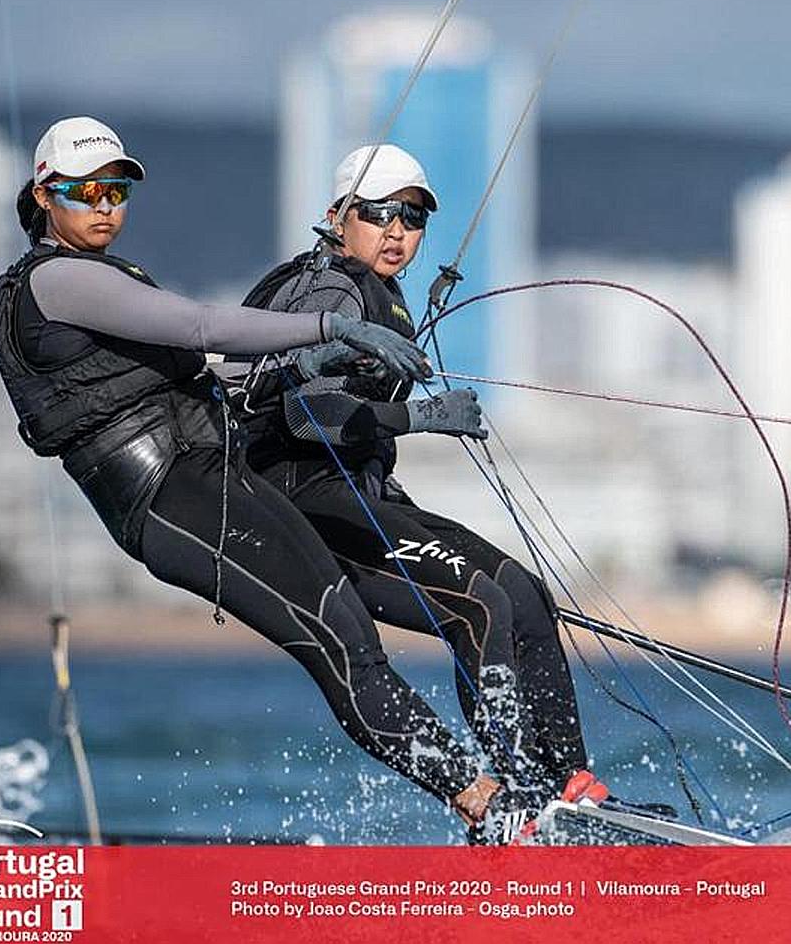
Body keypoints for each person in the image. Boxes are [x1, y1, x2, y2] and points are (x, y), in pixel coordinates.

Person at [0, 117, 545, 843]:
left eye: (117, 190)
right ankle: (488, 806)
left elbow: (185, 371)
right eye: (85, 190)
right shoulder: (54, 279)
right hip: (165, 492)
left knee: (350, 628)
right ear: (44, 194)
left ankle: (507, 803)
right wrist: (327, 331)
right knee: (339, 644)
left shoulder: (97, 277)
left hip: (212, 474)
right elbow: (198, 327)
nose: (104, 205)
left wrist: (302, 368)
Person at [226, 146, 602, 826]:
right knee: (479, 602)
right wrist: (420, 416)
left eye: (413, 215)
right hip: (300, 500)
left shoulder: (378, 291)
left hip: (357, 494)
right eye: (377, 212)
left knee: (522, 590)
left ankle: (566, 785)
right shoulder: (331, 289)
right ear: (336, 217)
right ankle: (515, 797)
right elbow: (304, 413)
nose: (397, 229)